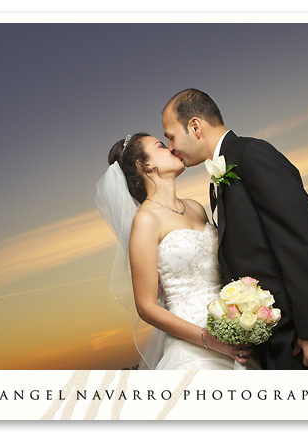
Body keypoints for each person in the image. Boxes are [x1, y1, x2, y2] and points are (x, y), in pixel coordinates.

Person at [161, 88, 308, 369]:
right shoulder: (219, 178)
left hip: (303, 334)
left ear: (195, 126)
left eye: (170, 136)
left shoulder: (252, 154)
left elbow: (302, 239)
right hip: (274, 338)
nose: (170, 146)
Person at [96, 132, 259, 370]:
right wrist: (209, 340)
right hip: (194, 351)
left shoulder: (194, 207)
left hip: (234, 335)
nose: (172, 149)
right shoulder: (146, 220)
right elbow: (146, 307)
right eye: (161, 146)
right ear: (145, 165)